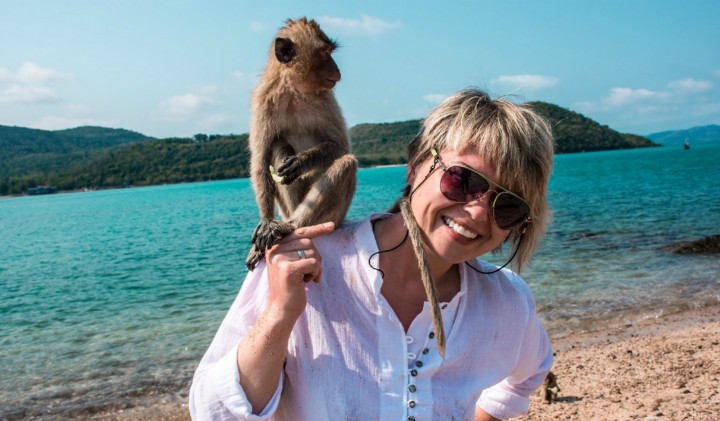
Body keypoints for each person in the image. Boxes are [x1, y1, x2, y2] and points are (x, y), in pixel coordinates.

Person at [189, 88, 555, 420]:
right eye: (463, 180)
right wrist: (280, 314)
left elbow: (530, 372)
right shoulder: (302, 267)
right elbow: (212, 412)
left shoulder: (507, 303)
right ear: (415, 167)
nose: (478, 212)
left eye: (507, 207)